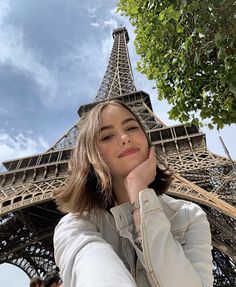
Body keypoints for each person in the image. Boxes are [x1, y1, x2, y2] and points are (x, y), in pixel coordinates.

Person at [53, 100, 214, 287]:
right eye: (106, 137)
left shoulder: (190, 216)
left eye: (131, 127)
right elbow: (96, 271)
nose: (124, 138)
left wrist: (138, 191)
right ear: (91, 155)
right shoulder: (75, 226)